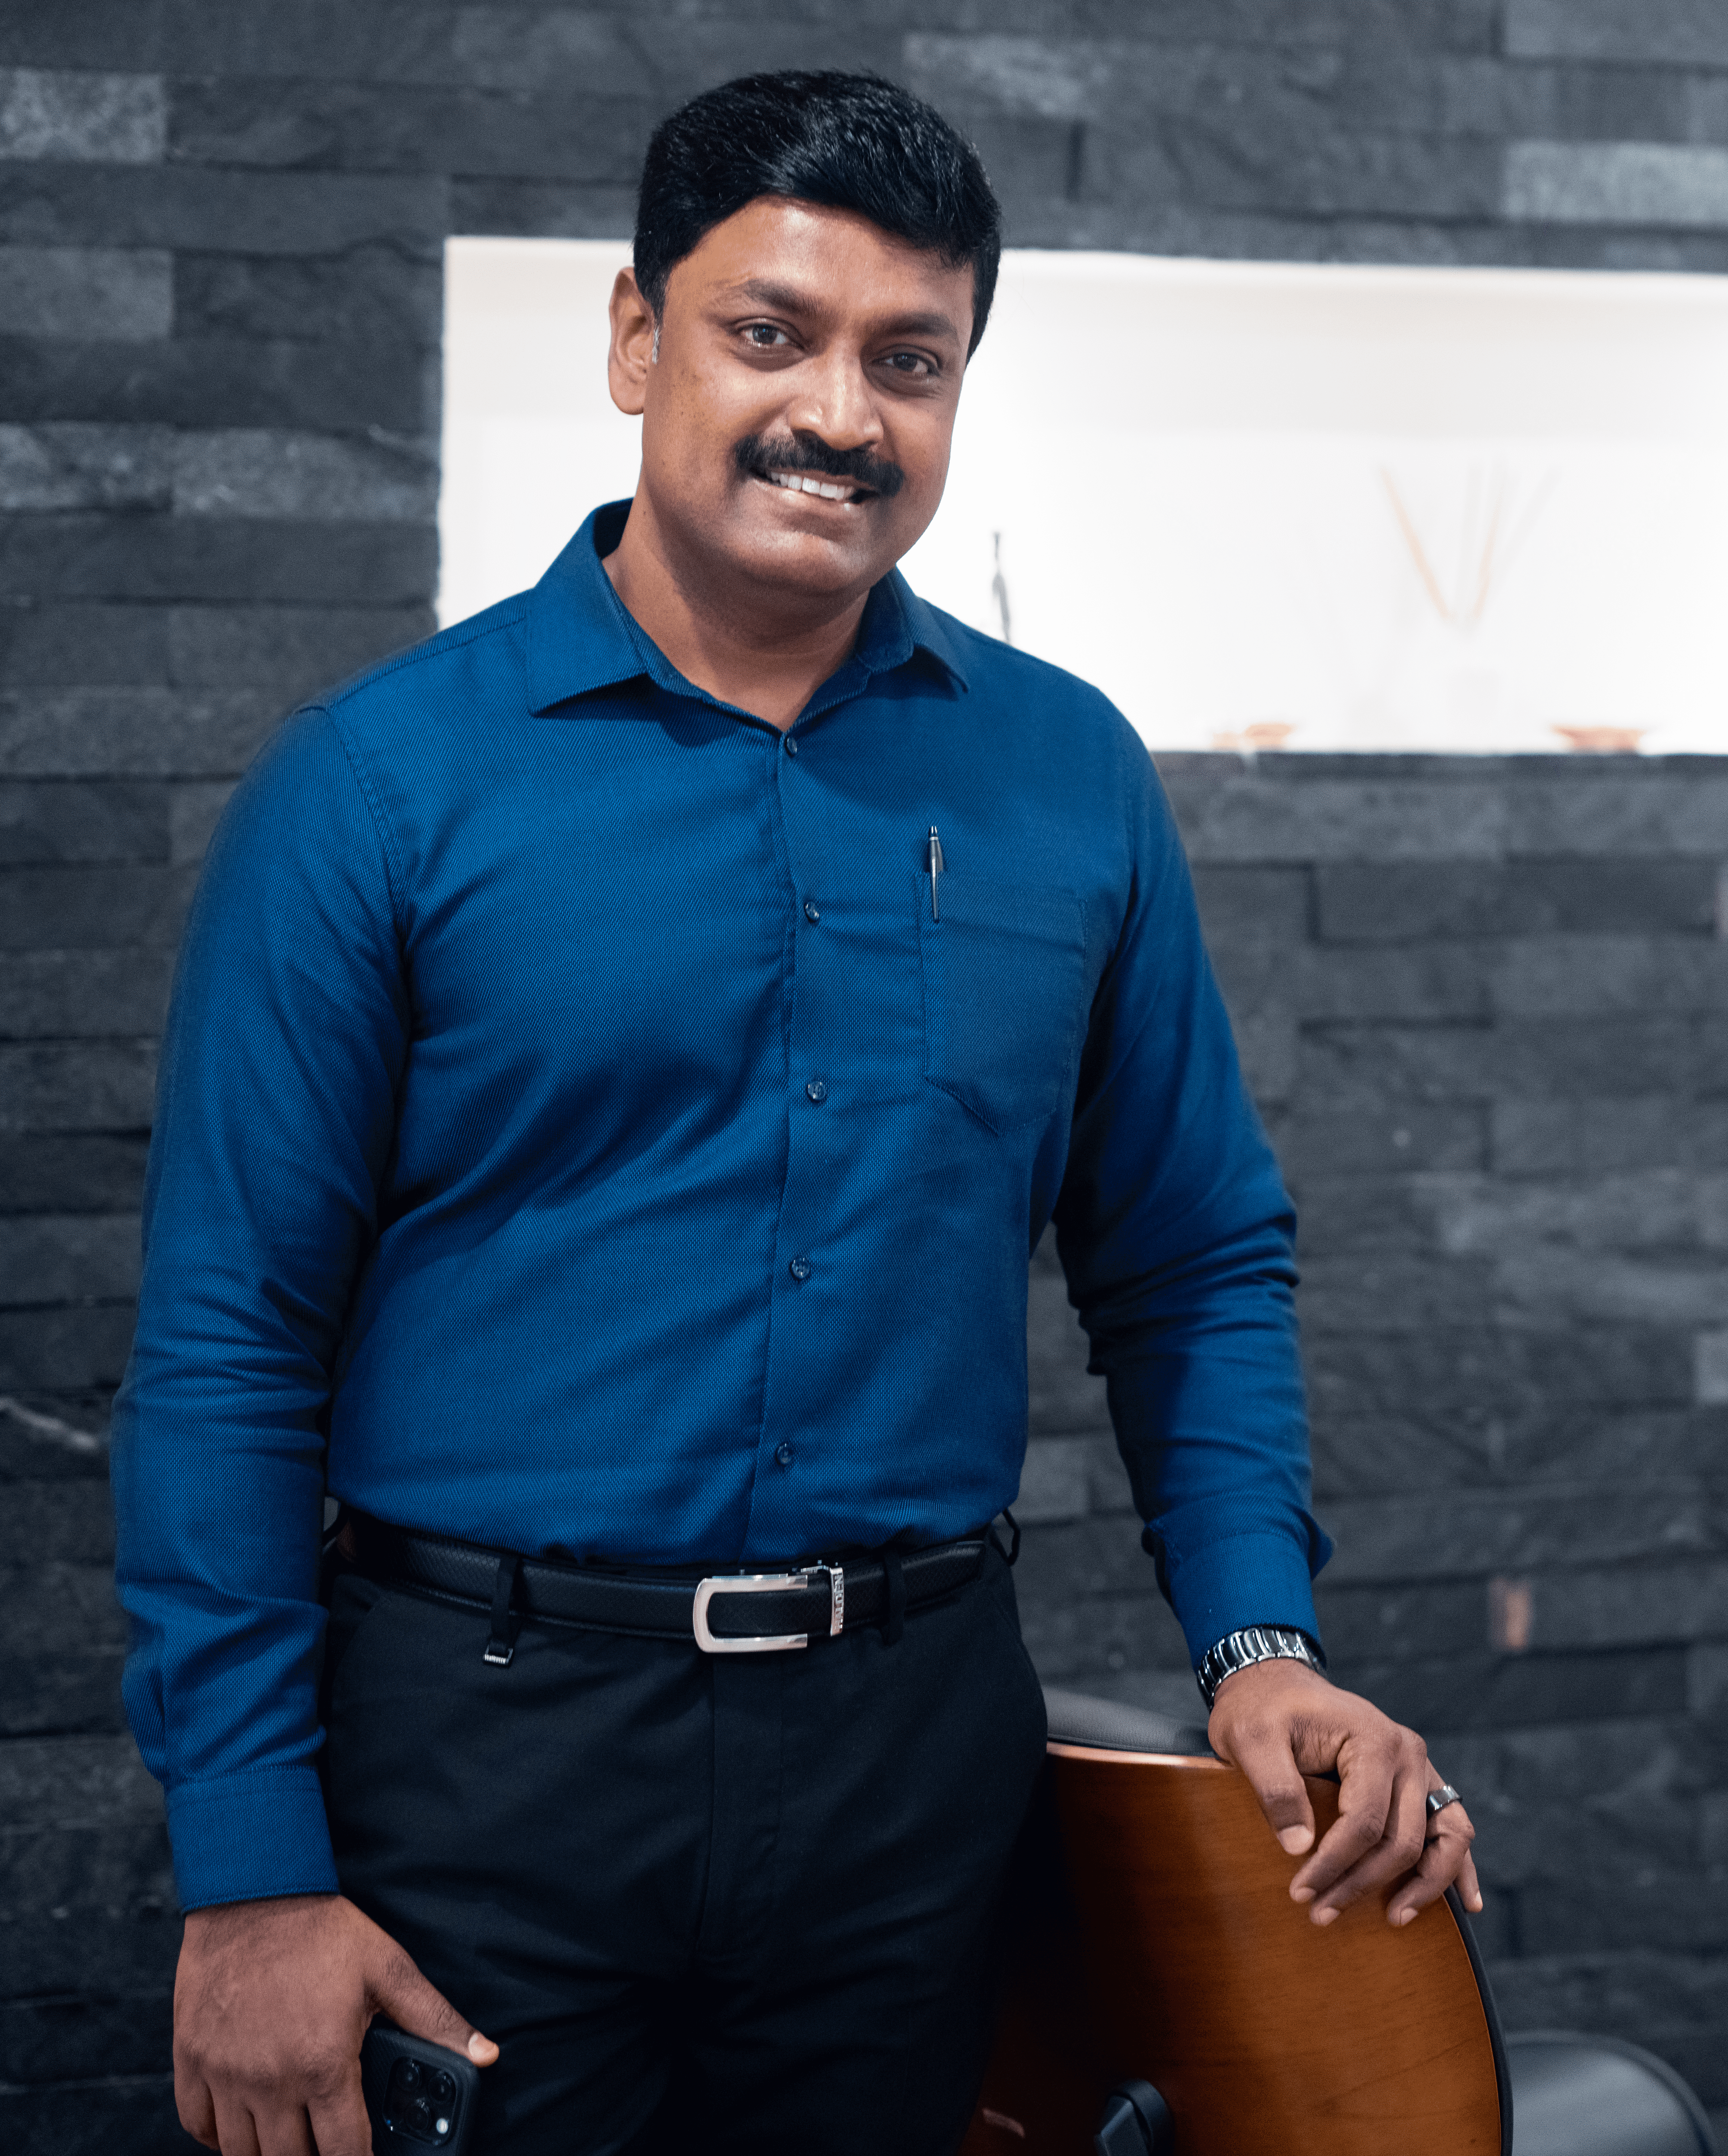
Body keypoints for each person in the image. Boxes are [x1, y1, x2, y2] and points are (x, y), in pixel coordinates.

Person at [112, 68, 1480, 2156]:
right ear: (635, 337)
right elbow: (227, 1342)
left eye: (907, 362)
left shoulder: (1065, 778)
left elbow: (1190, 1257)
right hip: (482, 1757)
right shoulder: (381, 784)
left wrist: (1255, 1639)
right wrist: (248, 1863)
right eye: (771, 333)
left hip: (906, 1765)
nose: (840, 411)